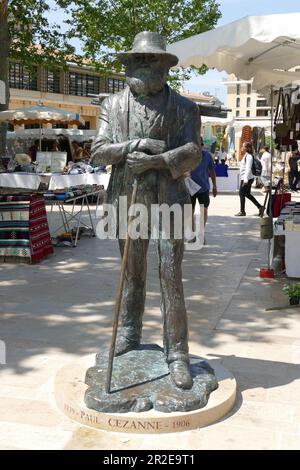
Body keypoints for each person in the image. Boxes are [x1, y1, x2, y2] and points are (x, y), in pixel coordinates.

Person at [91, 31, 201, 389]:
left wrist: (156, 161)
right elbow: (98, 151)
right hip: (126, 200)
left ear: (164, 66)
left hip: (171, 201)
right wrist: (134, 146)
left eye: (150, 59)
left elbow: (193, 152)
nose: (142, 65)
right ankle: (128, 334)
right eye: (137, 59)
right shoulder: (112, 105)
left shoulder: (185, 108)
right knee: (132, 274)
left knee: (170, 275)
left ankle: (178, 353)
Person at [189, 138, 217, 238]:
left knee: (204, 210)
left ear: (202, 145)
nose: (198, 147)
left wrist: (214, 186)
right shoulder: (189, 156)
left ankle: (201, 232)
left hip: (203, 188)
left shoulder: (207, 156)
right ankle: (192, 233)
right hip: (190, 188)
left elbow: (212, 171)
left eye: (200, 145)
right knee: (190, 211)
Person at [235, 141, 264, 217]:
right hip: (247, 178)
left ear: (247, 148)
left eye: (243, 146)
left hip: (246, 178)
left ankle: (242, 211)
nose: (242, 148)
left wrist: (245, 180)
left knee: (241, 194)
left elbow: (248, 168)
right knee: (247, 194)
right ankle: (260, 207)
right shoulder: (247, 155)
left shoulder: (249, 156)